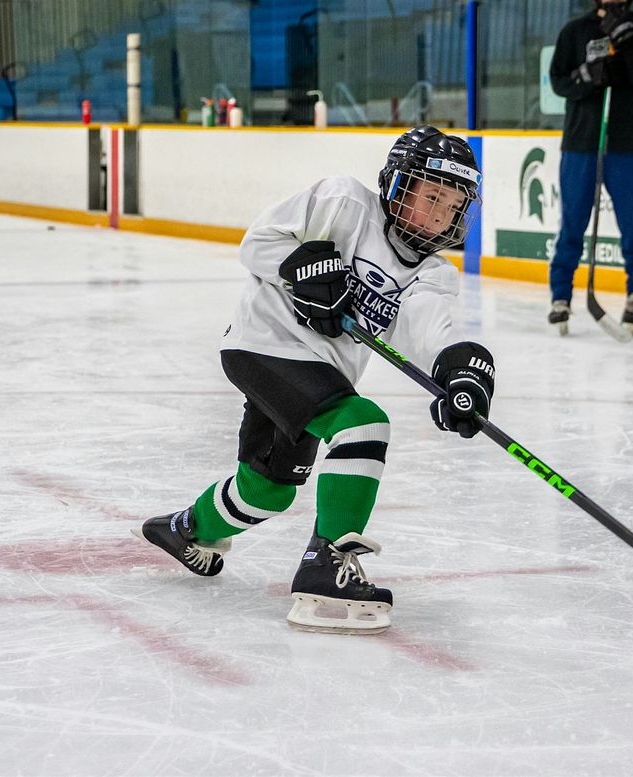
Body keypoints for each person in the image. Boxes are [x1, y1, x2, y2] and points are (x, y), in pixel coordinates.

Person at [133, 126, 494, 635]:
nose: (438, 215)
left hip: (320, 374)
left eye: (452, 205)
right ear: (397, 185)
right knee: (363, 424)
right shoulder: (343, 202)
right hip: (261, 345)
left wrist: (464, 373)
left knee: (266, 491)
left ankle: (186, 529)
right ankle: (326, 566)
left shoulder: (432, 275)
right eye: (430, 196)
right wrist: (298, 267)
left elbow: (433, 334)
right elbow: (256, 242)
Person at [547, 0, 633, 335]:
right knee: (572, 225)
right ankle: (560, 297)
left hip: (625, 144)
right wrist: (588, 78)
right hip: (581, 143)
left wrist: (626, 46)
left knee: (632, 225)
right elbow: (558, 81)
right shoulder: (574, 31)